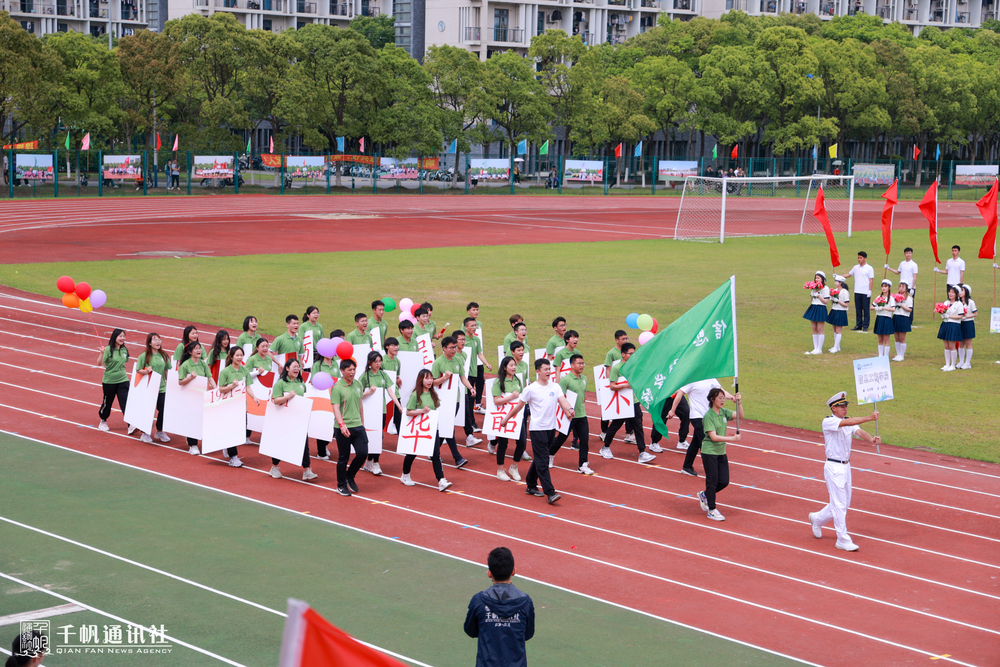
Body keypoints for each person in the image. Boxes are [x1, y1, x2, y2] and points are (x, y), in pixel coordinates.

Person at [808, 392, 880, 552]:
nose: (845, 408)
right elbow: (848, 424)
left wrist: (871, 440)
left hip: (846, 466)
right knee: (840, 505)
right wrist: (869, 417)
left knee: (844, 503)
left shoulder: (848, 421)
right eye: (842, 406)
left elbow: (858, 431)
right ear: (834, 408)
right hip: (834, 467)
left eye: (846, 406)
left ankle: (817, 518)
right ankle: (842, 538)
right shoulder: (828, 422)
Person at [500, 358, 576, 505]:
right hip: (537, 429)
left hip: (551, 429)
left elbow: (563, 401)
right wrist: (506, 419)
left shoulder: (555, 387)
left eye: (549, 369)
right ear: (537, 371)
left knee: (541, 457)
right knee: (543, 460)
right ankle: (550, 492)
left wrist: (570, 409)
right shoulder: (531, 389)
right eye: (545, 369)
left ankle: (531, 484)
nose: (548, 372)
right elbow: (519, 406)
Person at [464, 546, 535, 667]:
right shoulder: (525, 602)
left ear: (489, 573)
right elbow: (528, 634)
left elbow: (470, 630)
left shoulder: (479, 601)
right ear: (513, 571)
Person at [601, 343, 658, 462]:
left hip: (634, 402)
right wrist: (625, 385)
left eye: (634, 353)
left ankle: (642, 452)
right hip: (622, 403)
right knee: (615, 425)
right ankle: (605, 447)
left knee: (638, 427)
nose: (633, 356)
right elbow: (611, 386)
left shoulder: (634, 366)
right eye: (630, 353)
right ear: (623, 354)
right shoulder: (617, 368)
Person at [400, 368, 453, 491]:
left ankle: (441, 480)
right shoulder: (416, 395)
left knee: (435, 454)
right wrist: (422, 411)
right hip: (418, 429)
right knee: (412, 453)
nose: (430, 381)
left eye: (431, 378)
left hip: (432, 428)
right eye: (426, 378)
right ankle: (405, 474)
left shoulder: (433, 393)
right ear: (421, 380)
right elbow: (408, 412)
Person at [669, 378, 732, 477]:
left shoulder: (712, 379)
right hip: (697, 416)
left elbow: (722, 391)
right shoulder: (693, 380)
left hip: (709, 417)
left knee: (696, 443)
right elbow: (679, 393)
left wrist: (732, 397)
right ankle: (712, 470)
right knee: (707, 443)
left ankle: (687, 467)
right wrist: (673, 410)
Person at [697, 388, 744, 521]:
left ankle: (705, 495)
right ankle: (711, 509)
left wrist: (739, 402)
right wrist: (732, 439)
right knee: (712, 481)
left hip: (721, 451)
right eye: (720, 398)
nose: (723, 401)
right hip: (709, 451)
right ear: (712, 399)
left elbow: (740, 415)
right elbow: (713, 437)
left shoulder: (724, 413)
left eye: (724, 398)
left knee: (724, 481)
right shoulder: (708, 416)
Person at [432, 336, 473, 468]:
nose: (454, 349)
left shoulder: (458, 360)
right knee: (448, 427)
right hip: (441, 400)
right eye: (451, 347)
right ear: (444, 348)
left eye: (455, 347)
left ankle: (433, 451)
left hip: (455, 399)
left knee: (445, 427)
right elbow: (432, 382)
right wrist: (444, 378)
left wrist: (470, 388)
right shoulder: (438, 362)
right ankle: (457, 458)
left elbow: (462, 377)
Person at [551, 353, 594, 475]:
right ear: (572, 365)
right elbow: (560, 398)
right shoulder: (566, 380)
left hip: (581, 415)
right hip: (569, 416)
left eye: (582, 363)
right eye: (579, 363)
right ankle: (549, 454)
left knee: (584, 440)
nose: (581, 366)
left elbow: (583, 395)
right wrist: (566, 411)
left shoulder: (584, 379)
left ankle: (583, 464)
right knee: (562, 437)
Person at [360, 350, 402, 475]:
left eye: (379, 361)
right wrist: (369, 392)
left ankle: (372, 462)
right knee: (371, 436)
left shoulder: (383, 375)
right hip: (368, 411)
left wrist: (398, 405)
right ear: (370, 363)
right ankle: (373, 462)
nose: (378, 364)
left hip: (381, 410)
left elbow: (390, 391)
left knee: (379, 436)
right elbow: (358, 395)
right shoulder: (364, 377)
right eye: (375, 362)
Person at [331, 357, 368, 495]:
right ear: (342, 371)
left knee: (363, 453)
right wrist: (341, 425)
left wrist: (362, 424)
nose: (352, 372)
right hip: (343, 427)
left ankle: (350, 475)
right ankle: (341, 485)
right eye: (349, 370)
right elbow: (335, 408)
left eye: (354, 369)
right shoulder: (338, 388)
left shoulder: (357, 384)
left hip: (357, 426)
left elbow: (360, 405)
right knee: (343, 457)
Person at [492, 356, 528, 481]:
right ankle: (500, 470)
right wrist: (511, 397)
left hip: (518, 415)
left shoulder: (518, 380)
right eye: (511, 365)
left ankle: (514, 466)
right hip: (504, 416)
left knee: (522, 442)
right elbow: (496, 401)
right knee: (503, 443)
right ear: (504, 367)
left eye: (514, 365)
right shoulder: (498, 382)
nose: (513, 367)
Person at [177, 341, 217, 455]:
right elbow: (180, 382)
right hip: (190, 398)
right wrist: (190, 378)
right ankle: (192, 444)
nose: (199, 350)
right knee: (192, 419)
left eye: (200, 348)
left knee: (204, 420)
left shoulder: (203, 364)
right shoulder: (185, 365)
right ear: (190, 352)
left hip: (202, 396)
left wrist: (216, 390)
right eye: (196, 349)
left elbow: (210, 378)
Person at [135, 332, 171, 444]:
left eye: (159, 340)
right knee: (149, 410)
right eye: (155, 340)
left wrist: (169, 383)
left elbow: (167, 370)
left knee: (163, 409)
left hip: (162, 387)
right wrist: (146, 371)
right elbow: (138, 369)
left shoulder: (164, 355)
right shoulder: (145, 356)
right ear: (150, 343)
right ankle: (145, 432)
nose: (158, 342)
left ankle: (159, 430)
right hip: (149, 388)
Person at [602, 330, 634, 442]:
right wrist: (608, 383)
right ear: (617, 340)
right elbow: (608, 369)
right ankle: (604, 431)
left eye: (626, 338)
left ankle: (629, 433)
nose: (625, 340)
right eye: (623, 339)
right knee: (610, 409)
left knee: (630, 410)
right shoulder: (611, 353)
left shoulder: (630, 352)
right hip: (615, 383)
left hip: (626, 386)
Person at [97, 328, 130, 433]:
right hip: (109, 381)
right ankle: (103, 420)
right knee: (108, 402)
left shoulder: (124, 349)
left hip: (123, 380)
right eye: (120, 336)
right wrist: (102, 353)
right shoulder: (107, 349)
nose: (122, 338)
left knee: (126, 402)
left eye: (123, 336)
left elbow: (125, 362)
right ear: (114, 337)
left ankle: (130, 423)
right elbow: (99, 363)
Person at [453, 329, 482, 447]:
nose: (463, 342)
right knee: (452, 413)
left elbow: (462, 375)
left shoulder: (464, 355)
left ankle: (469, 436)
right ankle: (441, 434)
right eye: (461, 339)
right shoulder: (451, 355)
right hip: (451, 391)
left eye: (464, 339)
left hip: (463, 388)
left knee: (466, 412)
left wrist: (470, 388)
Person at [885, 247, 918, 322]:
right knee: (900, 302)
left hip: (909, 287)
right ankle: (900, 316)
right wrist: (888, 268)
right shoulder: (902, 263)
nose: (908, 254)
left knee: (909, 303)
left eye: (909, 253)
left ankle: (909, 319)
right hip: (902, 287)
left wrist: (912, 288)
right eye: (907, 253)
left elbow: (915, 277)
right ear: (904, 254)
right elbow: (897, 272)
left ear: (912, 254)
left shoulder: (914, 264)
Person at [937, 285, 964, 371]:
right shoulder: (946, 302)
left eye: (953, 292)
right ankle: (947, 364)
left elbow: (960, 316)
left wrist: (950, 316)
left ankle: (953, 365)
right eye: (949, 292)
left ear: (957, 294)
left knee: (952, 346)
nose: (950, 294)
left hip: (954, 325)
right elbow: (943, 313)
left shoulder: (959, 304)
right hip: (945, 324)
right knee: (946, 345)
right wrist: (942, 314)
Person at [803, 270, 830, 355]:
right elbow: (811, 300)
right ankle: (815, 348)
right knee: (814, 329)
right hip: (814, 307)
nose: (817, 279)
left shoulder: (826, 288)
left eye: (818, 278)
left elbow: (826, 301)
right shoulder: (814, 288)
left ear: (822, 279)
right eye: (816, 278)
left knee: (820, 329)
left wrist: (818, 295)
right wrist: (813, 293)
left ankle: (819, 349)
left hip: (821, 308)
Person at [847, 252, 875, 332]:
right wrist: (839, 276)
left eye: (861, 258)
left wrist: (870, 290)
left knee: (866, 309)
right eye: (858, 258)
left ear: (865, 258)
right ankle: (858, 324)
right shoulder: (855, 267)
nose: (859, 259)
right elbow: (849, 274)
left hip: (865, 291)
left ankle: (865, 325)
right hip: (857, 291)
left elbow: (871, 280)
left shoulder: (869, 268)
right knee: (858, 309)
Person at [825, 274, 850, 353]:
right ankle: (837, 346)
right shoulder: (834, 290)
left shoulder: (844, 292)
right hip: (834, 310)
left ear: (841, 283)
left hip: (841, 311)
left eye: (836, 281)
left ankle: (836, 347)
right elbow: (833, 302)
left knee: (838, 330)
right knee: (835, 330)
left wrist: (838, 300)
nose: (835, 283)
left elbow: (846, 304)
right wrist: (832, 299)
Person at [871, 279, 895, 357]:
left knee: (886, 339)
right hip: (879, 318)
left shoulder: (891, 298)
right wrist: (876, 308)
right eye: (882, 286)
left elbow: (893, 309)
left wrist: (883, 308)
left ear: (889, 288)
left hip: (887, 318)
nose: (884, 288)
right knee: (880, 339)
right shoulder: (879, 297)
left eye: (886, 286)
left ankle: (885, 356)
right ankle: (880, 355)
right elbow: (871, 307)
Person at [891, 281, 912, 361]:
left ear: (906, 288)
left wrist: (901, 305)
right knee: (896, 337)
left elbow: (909, 309)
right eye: (900, 286)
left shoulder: (908, 298)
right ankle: (898, 354)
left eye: (903, 287)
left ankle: (901, 355)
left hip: (904, 317)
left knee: (902, 338)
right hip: (896, 316)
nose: (901, 288)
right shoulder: (895, 297)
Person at [957, 284, 977, 369]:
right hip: (960, 323)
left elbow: (975, 313)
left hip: (968, 323)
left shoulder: (971, 302)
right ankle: (961, 361)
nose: (960, 292)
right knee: (960, 343)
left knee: (968, 343)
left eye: (962, 290)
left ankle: (967, 363)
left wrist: (966, 316)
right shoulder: (958, 302)